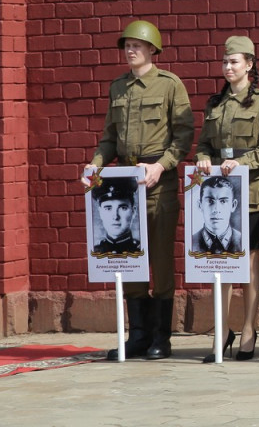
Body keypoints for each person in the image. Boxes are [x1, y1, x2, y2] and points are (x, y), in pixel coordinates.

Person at [82, 19, 194, 361]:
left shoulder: (170, 85)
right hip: (125, 185)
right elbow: (110, 138)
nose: (130, 50)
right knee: (129, 260)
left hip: (158, 182)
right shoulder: (118, 88)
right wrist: (96, 163)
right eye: (127, 45)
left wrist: (162, 165)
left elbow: (183, 135)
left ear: (152, 50)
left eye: (137, 45)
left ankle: (162, 337)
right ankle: (139, 335)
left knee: (159, 261)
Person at [193, 35, 259, 361]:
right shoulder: (214, 104)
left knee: (248, 261)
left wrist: (241, 162)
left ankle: (248, 328)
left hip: (251, 193)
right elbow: (204, 143)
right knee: (221, 261)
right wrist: (204, 158)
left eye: (234, 61)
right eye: (225, 61)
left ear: (249, 64)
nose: (228, 67)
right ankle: (222, 330)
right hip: (219, 191)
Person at [189, 176, 242, 255]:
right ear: (200, 205)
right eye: (210, 201)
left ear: (233, 205)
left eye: (223, 201)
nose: (216, 210)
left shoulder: (243, 240)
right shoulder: (191, 242)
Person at [91, 178, 142, 255]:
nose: (115, 216)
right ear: (100, 212)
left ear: (133, 211)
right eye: (108, 208)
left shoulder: (142, 250)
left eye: (123, 208)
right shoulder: (95, 252)